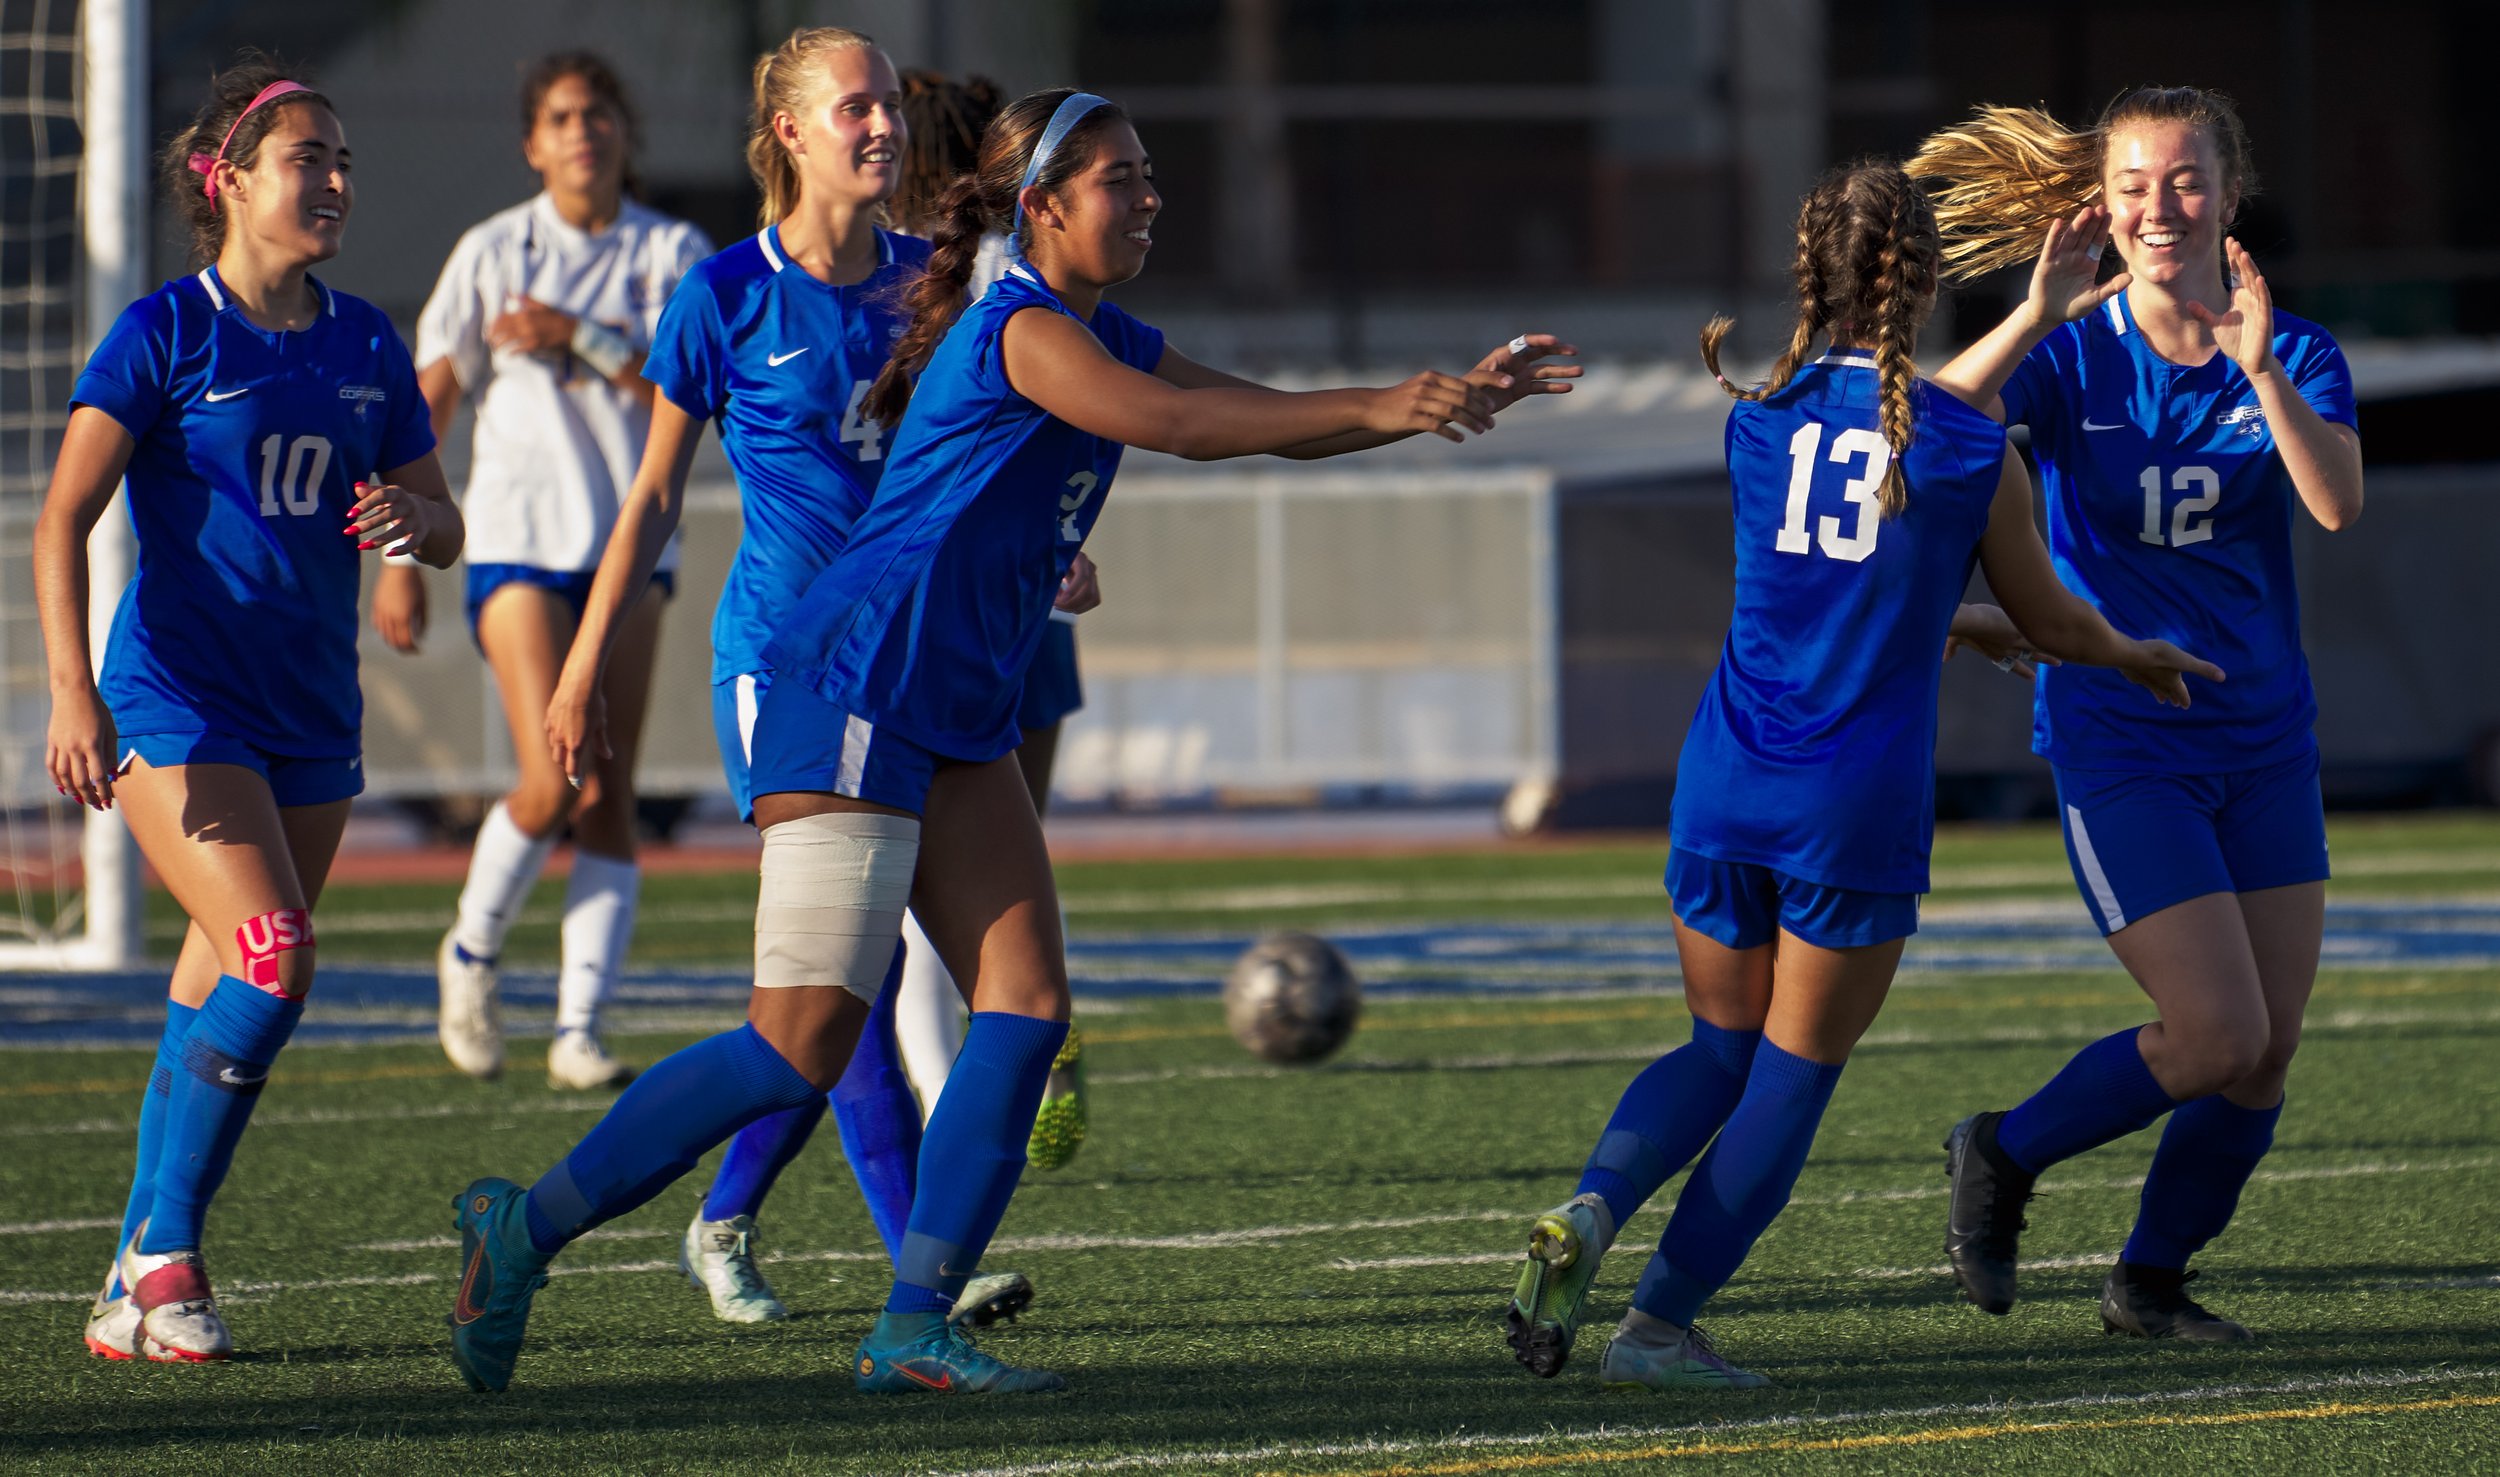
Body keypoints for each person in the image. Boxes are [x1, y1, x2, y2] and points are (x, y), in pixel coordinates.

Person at [449, 83, 1573, 1396]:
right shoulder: (1025, 331)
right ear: (1043, 207)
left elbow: (1245, 412)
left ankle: (913, 1324)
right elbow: (1187, 430)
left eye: (1152, 173)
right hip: (859, 689)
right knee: (794, 1044)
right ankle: (517, 1230)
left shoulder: (1098, 329)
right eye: (1120, 177)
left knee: (1027, 1011)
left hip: (955, 707)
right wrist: (1402, 401)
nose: (1150, 194)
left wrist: (1428, 404)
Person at [1502, 161, 2220, 1391]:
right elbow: (2049, 618)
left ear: (1809, 278)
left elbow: (1863, 581)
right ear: (1927, 279)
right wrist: (2132, 651)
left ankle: (1594, 1202)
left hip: (1723, 779)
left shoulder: (1754, 415)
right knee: (1792, 1074)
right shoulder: (1965, 446)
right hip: (1849, 807)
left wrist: (2035, 321)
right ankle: (1656, 1332)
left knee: (1712, 1045)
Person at [524, 27, 1032, 1331]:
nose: (882, 125)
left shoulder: (940, 281)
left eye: (885, 105)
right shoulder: (724, 293)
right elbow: (648, 499)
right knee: (833, 1006)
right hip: (787, 673)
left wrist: (1046, 552)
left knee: (906, 1007)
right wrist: (579, 669)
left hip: (919, 667)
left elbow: (982, 454)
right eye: (853, 106)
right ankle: (924, 1280)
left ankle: (758, 1227)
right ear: (790, 134)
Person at [1909, 87, 2363, 1340]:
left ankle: (2148, 1281)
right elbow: (1919, 437)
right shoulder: (2067, 355)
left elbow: (2333, 505)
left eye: (2183, 181)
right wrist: (2026, 318)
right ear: (2099, 208)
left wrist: (2262, 368)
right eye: (2132, 186)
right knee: (2217, 1030)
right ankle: (2002, 1150)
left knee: (2264, 1054)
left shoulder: (2298, 347)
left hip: (2266, 741)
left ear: (2228, 194)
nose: (2157, 208)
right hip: (2123, 739)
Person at [39, 58, 460, 1362]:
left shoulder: (365, 341)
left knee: (223, 975)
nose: (333, 181)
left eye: (343, 161)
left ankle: (132, 1273)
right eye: (306, 159)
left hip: (308, 716)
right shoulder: (167, 329)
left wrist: (417, 528)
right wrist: (72, 692)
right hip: (175, 698)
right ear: (228, 182)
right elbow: (61, 517)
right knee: (276, 955)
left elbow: (441, 523)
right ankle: (167, 1259)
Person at [400, 52, 711, 1090]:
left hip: (629, 550)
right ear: (533, 143)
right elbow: (422, 412)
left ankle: (579, 1026)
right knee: (555, 774)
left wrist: (570, 333)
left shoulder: (673, 252)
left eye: (600, 114)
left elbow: (682, 386)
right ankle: (470, 954)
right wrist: (401, 559)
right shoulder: (492, 251)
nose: (584, 132)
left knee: (611, 789)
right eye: (563, 118)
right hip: (517, 541)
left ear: (626, 132)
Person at [888, 67, 1086, 1162]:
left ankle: (996, 1056)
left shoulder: (1031, 285)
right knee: (810, 1017)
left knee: (1001, 883)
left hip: (1011, 598)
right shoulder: (943, 288)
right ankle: (960, 1088)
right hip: (917, 627)